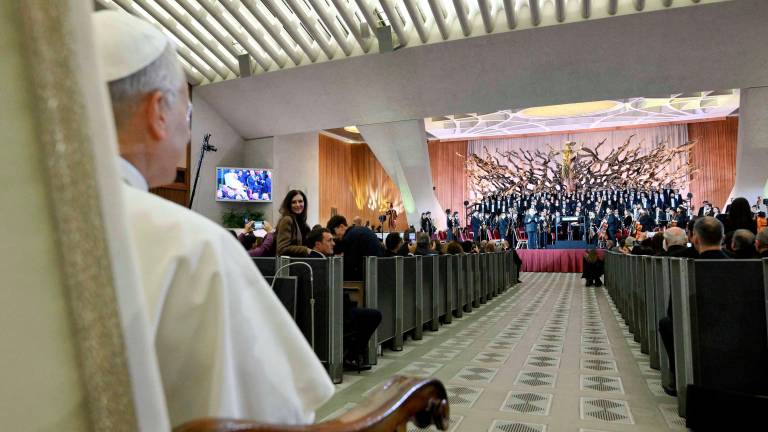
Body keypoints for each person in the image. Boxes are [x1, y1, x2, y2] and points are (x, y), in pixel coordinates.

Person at [94, 11, 332, 426]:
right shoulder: (196, 249)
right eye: (187, 115)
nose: (188, 134)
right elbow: (281, 413)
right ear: (157, 111)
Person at [658, 216, 730, 396]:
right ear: (722, 238)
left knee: (667, 324)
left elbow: (673, 311)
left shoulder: (682, 263)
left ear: (695, 239)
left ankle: (678, 376)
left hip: (697, 325)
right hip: (732, 329)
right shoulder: (737, 262)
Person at [306, 228, 382, 371]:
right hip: (334, 313)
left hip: (335, 309)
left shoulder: (320, 262)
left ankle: (351, 353)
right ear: (317, 244)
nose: (333, 243)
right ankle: (351, 355)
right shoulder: (320, 264)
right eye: (329, 240)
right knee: (373, 316)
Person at [327, 215, 384, 280]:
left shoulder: (350, 236)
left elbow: (351, 264)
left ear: (341, 226)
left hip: (370, 275)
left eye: (334, 233)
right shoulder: (360, 230)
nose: (335, 237)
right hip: (378, 270)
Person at [276, 190, 312, 257]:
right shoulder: (287, 220)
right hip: (289, 263)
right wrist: (305, 250)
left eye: (300, 201)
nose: (298, 205)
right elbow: (282, 249)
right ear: (289, 205)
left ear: (304, 203)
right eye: (293, 202)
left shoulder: (302, 222)